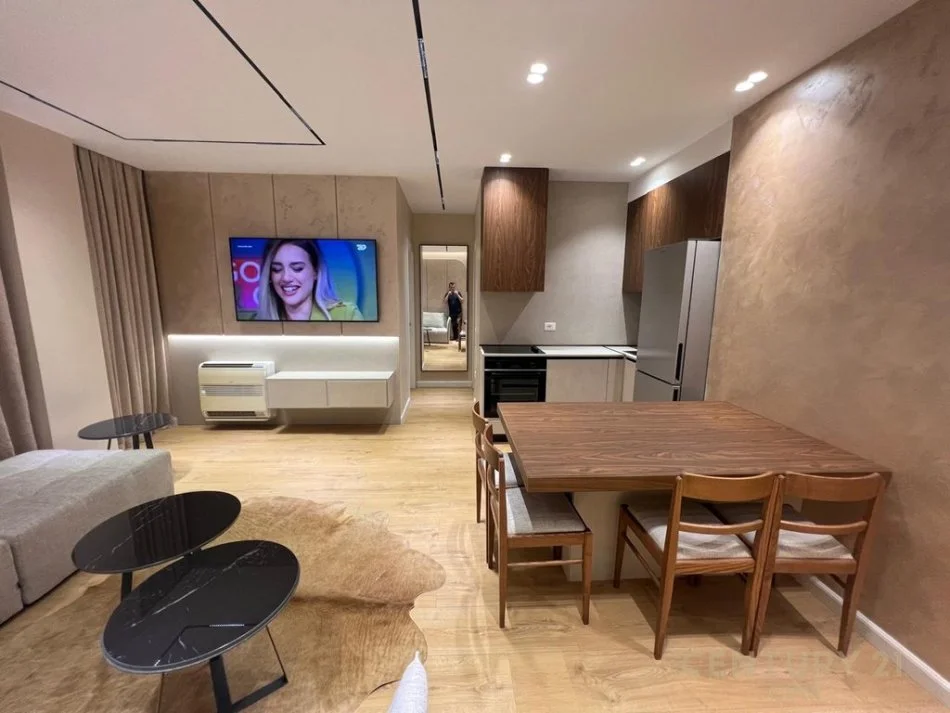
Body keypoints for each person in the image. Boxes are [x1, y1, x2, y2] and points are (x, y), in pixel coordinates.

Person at [255, 239, 362, 321]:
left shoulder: (346, 315)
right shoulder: (257, 321)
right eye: (277, 269)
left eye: (297, 268)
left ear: (316, 271)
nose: (286, 278)